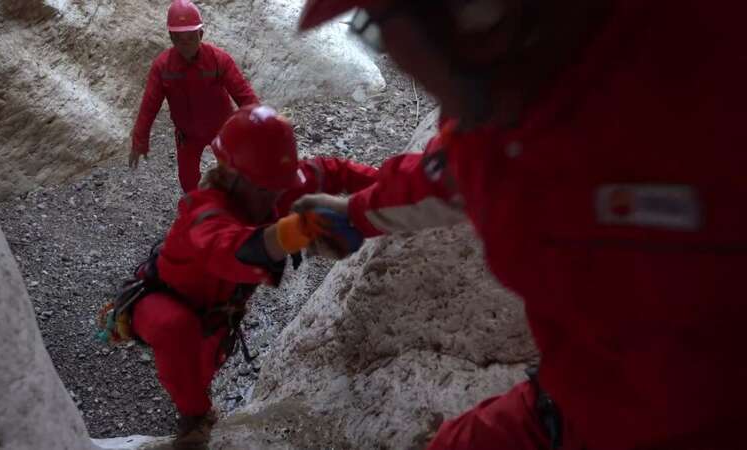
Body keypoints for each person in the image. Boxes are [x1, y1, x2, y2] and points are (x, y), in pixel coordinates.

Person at [294, 1, 747, 450]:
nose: (399, 62)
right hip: (576, 407)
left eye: (377, 30)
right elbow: (453, 172)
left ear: (476, 17)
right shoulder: (500, 111)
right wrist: (354, 214)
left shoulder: (711, 73)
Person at [123, 104, 376, 450]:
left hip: (216, 312)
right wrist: (298, 230)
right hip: (165, 303)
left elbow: (332, 170)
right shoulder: (203, 214)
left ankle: (196, 400)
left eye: (279, 187)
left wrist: (388, 187)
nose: (275, 196)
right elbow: (231, 250)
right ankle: (193, 418)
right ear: (231, 176)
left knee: (203, 363)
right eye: (267, 189)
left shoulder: (268, 183)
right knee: (177, 336)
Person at [129, 0, 260, 193]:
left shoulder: (219, 60)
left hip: (222, 129)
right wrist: (140, 140)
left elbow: (244, 96)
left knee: (234, 172)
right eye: (179, 39)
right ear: (171, 38)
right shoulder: (163, 67)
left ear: (201, 34)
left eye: (190, 38)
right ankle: (198, 207)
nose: (185, 45)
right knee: (188, 181)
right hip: (187, 136)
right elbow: (149, 106)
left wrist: (264, 126)